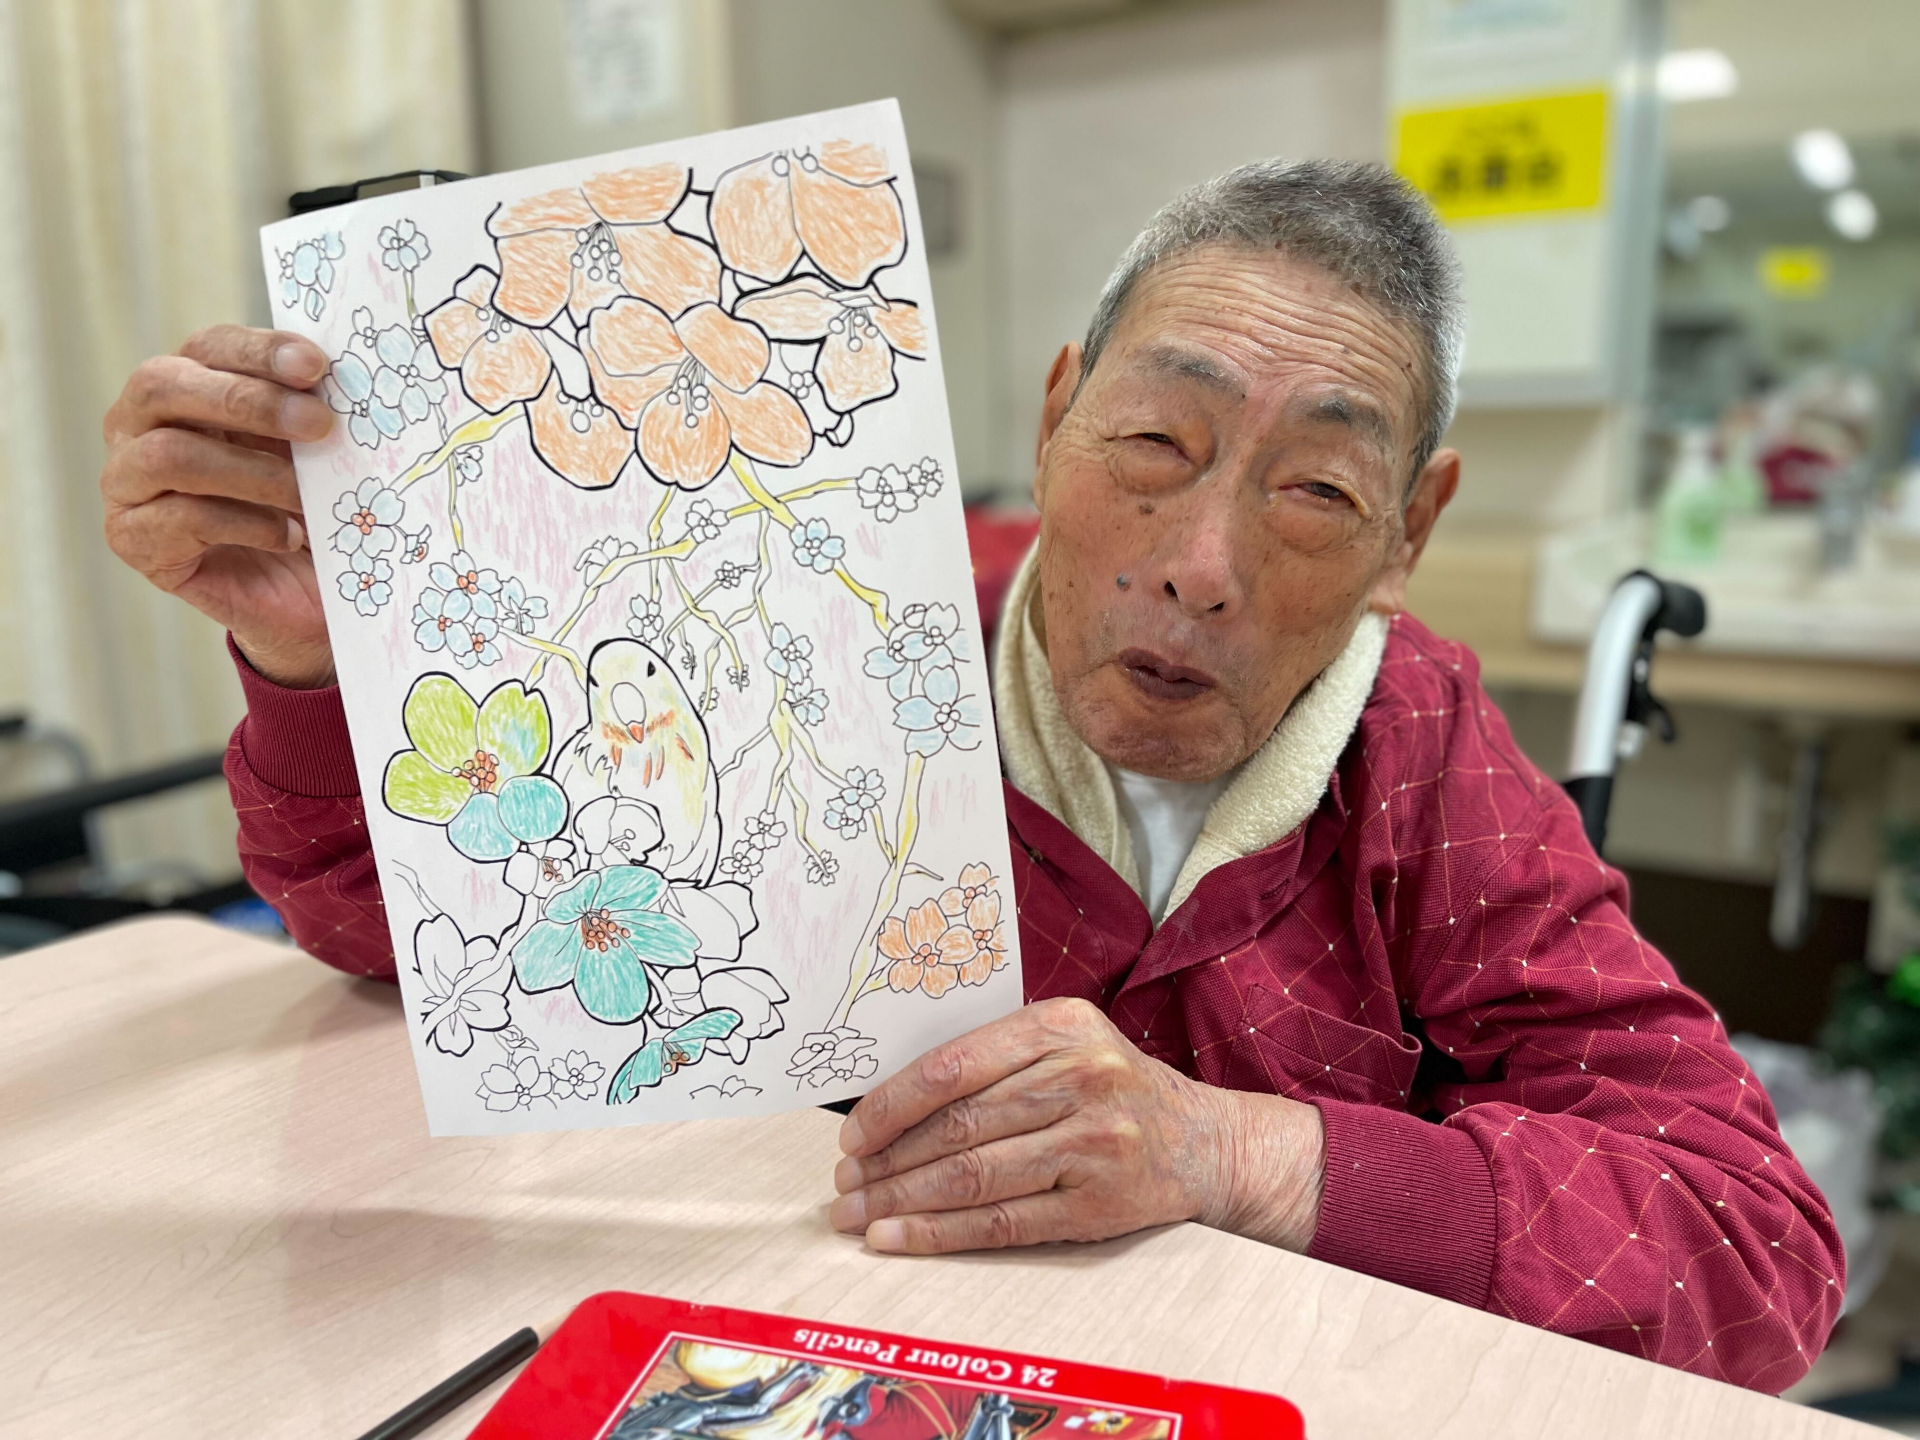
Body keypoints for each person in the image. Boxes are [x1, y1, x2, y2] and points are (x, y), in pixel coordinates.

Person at [99, 159, 1842, 1392]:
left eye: (1318, 491)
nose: (1202, 566)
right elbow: (401, 941)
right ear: (1056, 411)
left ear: (1410, 531)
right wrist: (313, 656)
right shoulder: (831, 617)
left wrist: (1235, 1153)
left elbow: (1755, 1248)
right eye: (1152, 442)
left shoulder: (1422, 753)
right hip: (782, 1333)